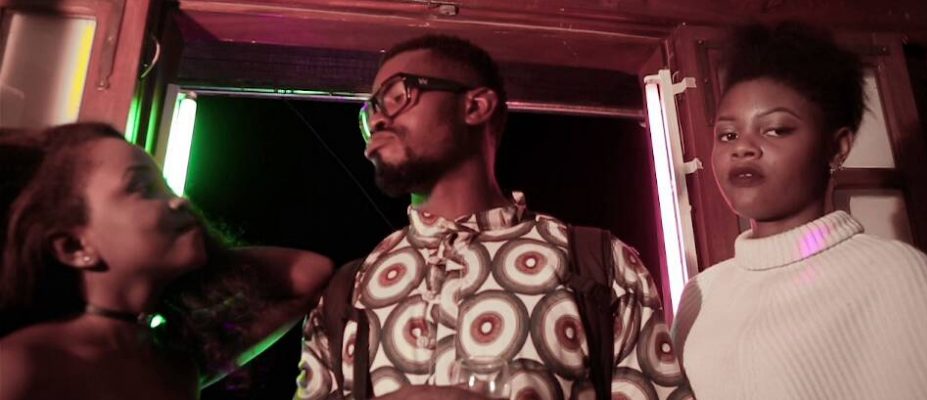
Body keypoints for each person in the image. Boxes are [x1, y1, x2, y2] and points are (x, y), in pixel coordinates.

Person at [295, 35, 689, 400]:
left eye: (397, 96)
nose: (377, 120)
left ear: (476, 106)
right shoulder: (347, 292)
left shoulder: (596, 265)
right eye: (370, 113)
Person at [671, 22, 927, 399]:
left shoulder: (896, 275)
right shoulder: (701, 294)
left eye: (776, 130)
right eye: (728, 134)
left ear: (838, 147)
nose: (743, 148)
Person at [0, 123, 334, 400]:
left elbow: (309, 274)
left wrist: (207, 261)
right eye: (143, 187)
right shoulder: (20, 364)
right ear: (74, 247)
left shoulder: (174, 363)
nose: (180, 201)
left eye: (166, 186)